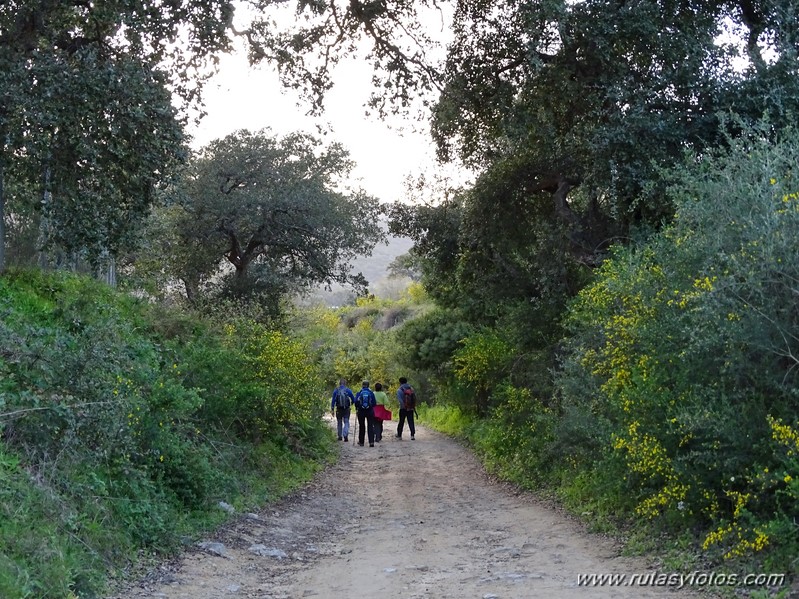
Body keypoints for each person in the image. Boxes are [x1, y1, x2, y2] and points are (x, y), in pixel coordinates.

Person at [354, 380, 377, 447]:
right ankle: (371, 442)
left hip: (361, 411)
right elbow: (374, 403)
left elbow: (356, 402)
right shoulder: (371, 393)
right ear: (368, 385)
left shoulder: (359, 392)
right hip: (370, 411)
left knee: (362, 426)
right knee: (370, 426)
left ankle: (361, 442)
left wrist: (357, 407)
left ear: (362, 385)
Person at [395, 376, 416, 441]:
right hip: (410, 408)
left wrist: (403, 406)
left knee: (401, 421)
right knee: (411, 421)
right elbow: (414, 397)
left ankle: (399, 435)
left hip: (403, 408)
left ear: (400, 382)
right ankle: (412, 435)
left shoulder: (399, 390)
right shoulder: (411, 389)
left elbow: (400, 400)